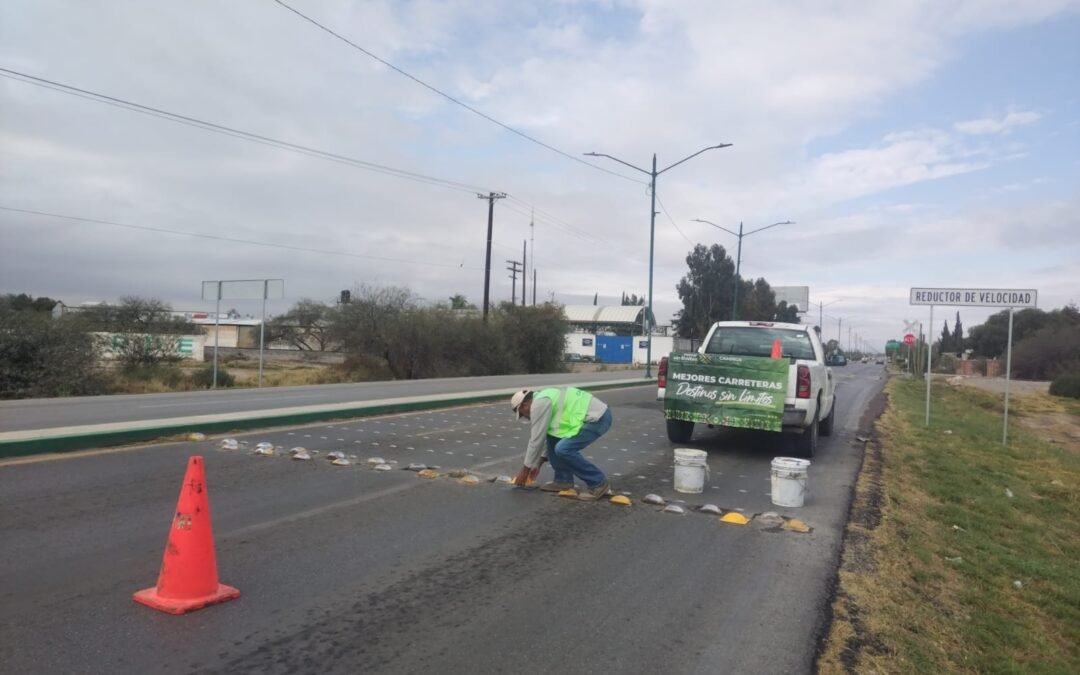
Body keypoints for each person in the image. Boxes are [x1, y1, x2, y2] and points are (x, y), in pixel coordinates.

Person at [509, 387, 613, 501]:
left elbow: (536, 439)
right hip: (590, 417)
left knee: (564, 449)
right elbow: (547, 435)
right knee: (553, 437)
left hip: (597, 418)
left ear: (524, 405)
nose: (526, 417)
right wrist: (539, 462)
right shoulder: (544, 398)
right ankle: (563, 481)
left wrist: (525, 470)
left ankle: (598, 483)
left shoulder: (539, 404)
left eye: (522, 414)